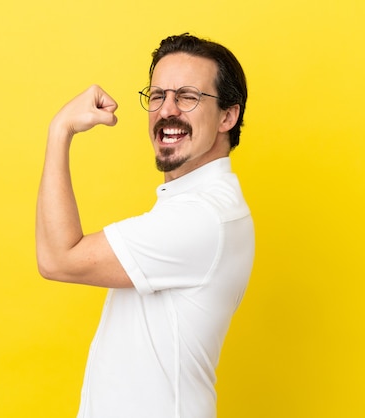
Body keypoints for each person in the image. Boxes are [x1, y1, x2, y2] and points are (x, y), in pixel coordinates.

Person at [36, 33, 254, 418]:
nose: (167, 110)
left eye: (188, 96)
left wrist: (60, 130)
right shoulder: (194, 206)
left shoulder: (203, 216)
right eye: (157, 96)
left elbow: (58, 259)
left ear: (227, 116)